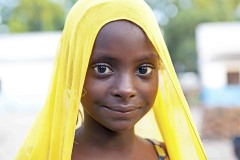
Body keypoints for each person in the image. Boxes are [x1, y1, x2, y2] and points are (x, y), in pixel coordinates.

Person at [16, 0, 206, 159]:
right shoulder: (45, 156)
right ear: (71, 71)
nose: (125, 89)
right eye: (102, 68)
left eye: (143, 69)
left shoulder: (170, 155)